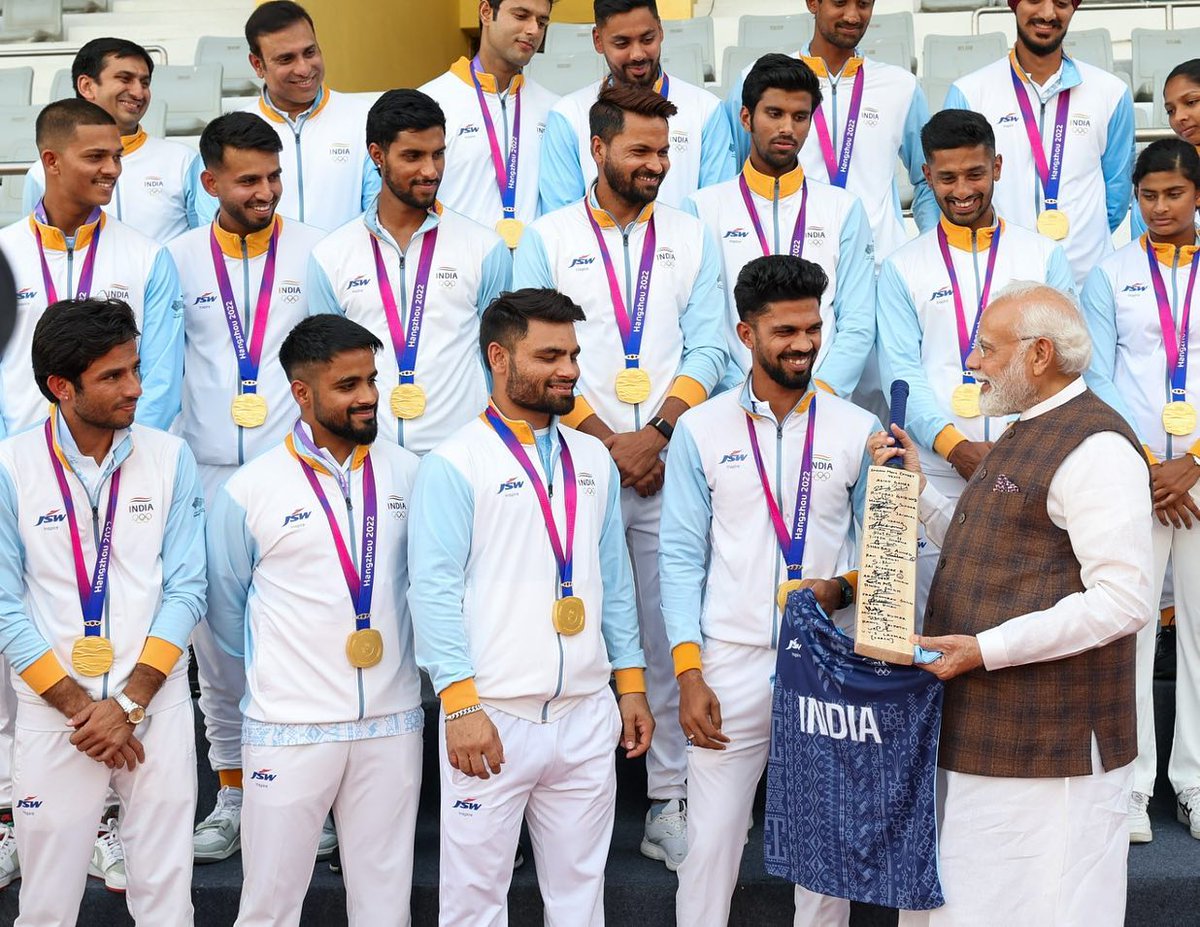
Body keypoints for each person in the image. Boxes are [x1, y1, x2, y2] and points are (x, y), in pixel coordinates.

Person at [873, 282, 1154, 926]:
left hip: (1049, 749)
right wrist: (917, 491)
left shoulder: (1097, 447)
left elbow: (1122, 600)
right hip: (989, 730)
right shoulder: (1025, 430)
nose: (972, 361)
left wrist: (985, 649)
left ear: (1039, 355)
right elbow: (989, 549)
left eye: (987, 348)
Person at [514, 83, 726, 868]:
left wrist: (660, 430)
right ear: (598, 149)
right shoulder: (547, 235)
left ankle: (667, 796)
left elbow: (711, 347)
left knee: (672, 625)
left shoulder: (692, 234)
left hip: (668, 464)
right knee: (563, 623)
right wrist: (605, 437)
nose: (655, 165)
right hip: (573, 464)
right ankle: (554, 802)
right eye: (640, 150)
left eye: (664, 151)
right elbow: (534, 348)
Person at [408, 287, 653, 925]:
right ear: (499, 357)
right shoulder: (454, 463)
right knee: (474, 905)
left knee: (580, 900)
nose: (569, 369)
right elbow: (431, 593)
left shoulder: (592, 456)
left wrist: (629, 686)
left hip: (585, 714)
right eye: (549, 355)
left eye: (573, 354)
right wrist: (458, 704)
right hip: (490, 717)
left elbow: (614, 582)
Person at [659, 254, 877, 926]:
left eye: (813, 327)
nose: (805, 343)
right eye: (785, 330)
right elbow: (678, 557)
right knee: (710, 844)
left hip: (827, 662)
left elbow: (887, 559)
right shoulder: (701, 428)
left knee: (824, 849)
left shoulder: (857, 428)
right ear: (745, 334)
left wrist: (841, 587)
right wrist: (689, 674)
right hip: (729, 661)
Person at [206, 315, 422, 926]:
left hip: (392, 719)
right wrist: (282, 683)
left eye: (372, 380)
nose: (368, 397)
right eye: (348, 384)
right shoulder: (250, 491)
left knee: (385, 905)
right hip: (289, 726)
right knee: (270, 906)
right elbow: (226, 615)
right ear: (301, 394)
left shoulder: (411, 474)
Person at [0, 297, 205, 925]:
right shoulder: (10, 466)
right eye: (113, 376)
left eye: (136, 369)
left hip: (155, 703)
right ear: (62, 387)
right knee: (46, 905)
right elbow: (5, 606)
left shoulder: (170, 456)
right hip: (55, 710)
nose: (136, 389)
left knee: (167, 898)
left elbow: (187, 589)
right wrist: (83, 709)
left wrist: (130, 704)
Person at [167, 111, 327, 865]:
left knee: (304, 641)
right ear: (210, 183)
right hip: (203, 478)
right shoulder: (176, 259)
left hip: (290, 472)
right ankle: (232, 792)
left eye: (273, 177)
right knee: (217, 652)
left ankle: (314, 797)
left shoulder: (315, 248)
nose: (265, 191)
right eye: (247, 180)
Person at [876, 109, 1074, 613]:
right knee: (934, 619)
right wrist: (955, 447)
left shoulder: (1043, 255)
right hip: (939, 470)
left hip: (1027, 466)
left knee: (1024, 617)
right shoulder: (903, 266)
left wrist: (1017, 449)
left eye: (975, 174)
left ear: (998, 167)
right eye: (947, 177)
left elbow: (1063, 367)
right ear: (926, 176)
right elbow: (902, 373)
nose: (962, 189)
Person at [1081, 139, 1200, 846]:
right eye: (1149, 195)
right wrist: (1150, 463)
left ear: (1197, 196)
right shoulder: (1111, 274)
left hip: (1195, 477)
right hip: (1139, 478)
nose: (1160, 207)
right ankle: (1129, 784)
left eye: (1175, 194)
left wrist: (1193, 462)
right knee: (1129, 633)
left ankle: (1194, 779)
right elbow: (1097, 378)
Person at [308, 89, 511, 454]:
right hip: (371, 458)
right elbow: (327, 371)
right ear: (377, 155)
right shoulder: (330, 255)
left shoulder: (485, 248)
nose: (430, 171)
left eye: (438, 154)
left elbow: (501, 361)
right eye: (412, 156)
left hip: (465, 455)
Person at [686, 54, 875, 396]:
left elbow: (857, 324)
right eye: (774, 114)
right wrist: (741, 394)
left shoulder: (843, 209)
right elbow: (703, 324)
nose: (788, 128)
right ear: (746, 117)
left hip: (821, 402)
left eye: (800, 117)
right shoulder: (702, 209)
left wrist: (821, 395)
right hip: (731, 403)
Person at [0, 99, 183, 438]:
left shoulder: (148, 256)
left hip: (120, 460)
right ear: (51, 161)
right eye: (95, 157)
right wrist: (12, 455)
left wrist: (123, 451)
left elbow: (162, 378)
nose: (112, 169)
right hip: (17, 462)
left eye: (117, 157)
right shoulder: (5, 253)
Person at [723, 0, 938, 266]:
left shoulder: (901, 87)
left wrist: (927, 244)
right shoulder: (759, 80)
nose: (852, 16)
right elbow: (733, 177)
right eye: (839, 2)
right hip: (792, 272)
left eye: (863, 4)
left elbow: (929, 180)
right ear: (813, 3)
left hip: (877, 270)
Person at [943, 0, 1135, 287]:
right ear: (1014, 5)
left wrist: (1082, 240)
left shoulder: (1111, 93)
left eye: (1060, 3)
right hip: (1002, 281)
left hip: (1085, 282)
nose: (1047, 14)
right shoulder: (970, 93)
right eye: (1034, 0)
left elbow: (1117, 193)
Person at [197, 1, 379, 232]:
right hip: (258, 267)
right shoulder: (228, 133)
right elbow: (211, 225)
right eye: (286, 59)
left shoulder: (365, 119)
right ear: (257, 64)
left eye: (309, 52)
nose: (304, 69)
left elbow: (378, 213)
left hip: (345, 266)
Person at [539, 0, 735, 212]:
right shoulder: (568, 115)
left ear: (660, 30)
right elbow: (561, 221)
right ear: (598, 40)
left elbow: (715, 212)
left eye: (647, 39)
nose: (638, 54)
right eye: (622, 43)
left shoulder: (706, 110)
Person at [22, 38, 205, 242]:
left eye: (144, 83)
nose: (138, 93)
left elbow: (206, 241)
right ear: (87, 86)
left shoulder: (183, 160)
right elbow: (35, 246)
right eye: (125, 79)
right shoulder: (43, 171)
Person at [420, 0, 559, 245]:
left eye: (542, 22)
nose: (533, 30)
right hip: (454, 272)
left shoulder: (554, 109)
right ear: (486, 12)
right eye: (521, 15)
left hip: (529, 277)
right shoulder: (430, 102)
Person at [1131, 60, 1200, 239]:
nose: (1179, 117)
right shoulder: (1158, 176)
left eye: (1191, 102)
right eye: (1170, 111)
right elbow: (1143, 257)